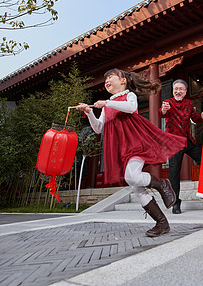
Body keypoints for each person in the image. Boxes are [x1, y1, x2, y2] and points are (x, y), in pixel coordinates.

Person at [76, 68, 187, 237]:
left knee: (132, 177)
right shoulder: (108, 105)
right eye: (105, 79)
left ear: (122, 81)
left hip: (136, 144)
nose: (106, 81)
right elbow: (98, 128)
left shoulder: (129, 96)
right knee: (136, 188)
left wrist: (107, 103)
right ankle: (162, 223)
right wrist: (89, 112)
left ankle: (162, 184)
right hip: (120, 149)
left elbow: (130, 107)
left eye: (110, 77)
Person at [159, 79, 203, 214]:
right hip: (173, 142)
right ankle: (175, 203)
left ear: (185, 91)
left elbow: (196, 119)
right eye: (176, 89)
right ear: (173, 91)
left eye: (181, 89)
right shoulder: (168, 103)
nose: (178, 91)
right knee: (173, 174)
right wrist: (163, 110)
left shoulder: (189, 103)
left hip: (187, 140)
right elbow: (162, 112)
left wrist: (202, 115)